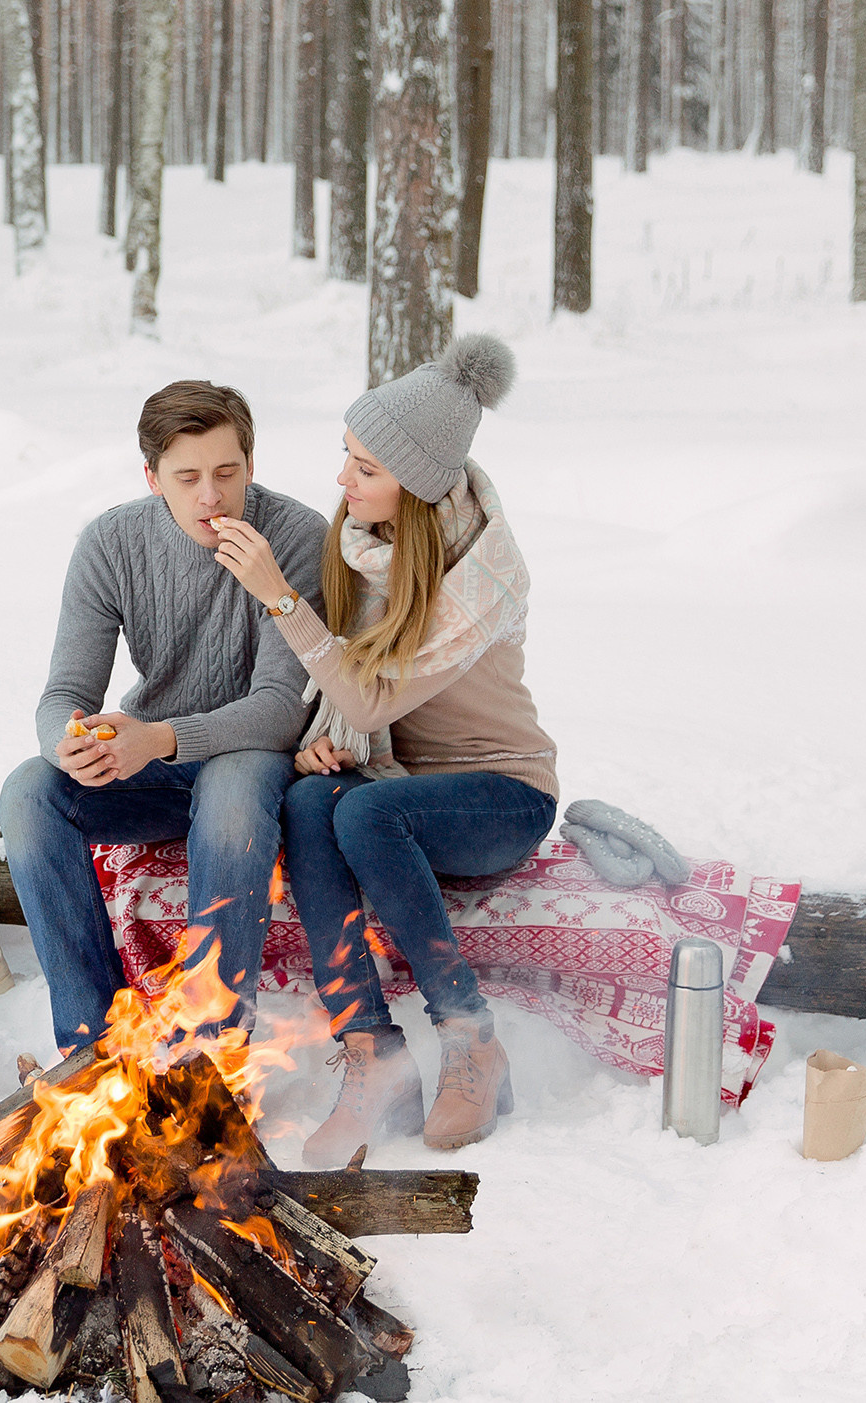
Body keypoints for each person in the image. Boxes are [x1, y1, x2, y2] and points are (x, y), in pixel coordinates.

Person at [205, 334, 555, 1163]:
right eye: (346, 457)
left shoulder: (481, 574)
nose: (342, 480)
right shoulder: (363, 543)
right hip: (398, 787)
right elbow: (348, 703)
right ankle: (373, 1053)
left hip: (500, 796)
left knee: (364, 814)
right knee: (307, 800)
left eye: (365, 468)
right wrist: (318, 750)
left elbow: (364, 692)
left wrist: (280, 598)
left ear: (418, 484)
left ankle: (471, 1038)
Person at [0, 381, 329, 1057]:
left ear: (251, 465)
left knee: (234, 795)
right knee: (29, 792)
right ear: (152, 478)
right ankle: (92, 1050)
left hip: (251, 753)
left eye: (226, 472)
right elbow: (64, 689)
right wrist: (69, 741)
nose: (212, 495)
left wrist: (160, 739)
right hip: (150, 762)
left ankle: (212, 1049)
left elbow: (277, 708)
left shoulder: (296, 536)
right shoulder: (112, 543)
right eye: (188, 477)